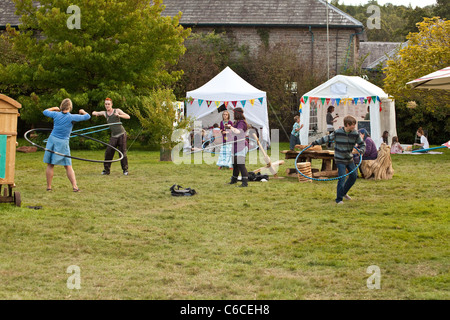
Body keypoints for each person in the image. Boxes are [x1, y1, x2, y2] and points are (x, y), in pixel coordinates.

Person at [310, 115, 365, 204]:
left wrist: (362, 150)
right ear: (347, 124)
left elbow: (362, 144)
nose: (354, 127)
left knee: (354, 176)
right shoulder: (338, 132)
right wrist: (315, 143)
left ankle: (343, 193)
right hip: (340, 159)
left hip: (349, 158)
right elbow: (326, 138)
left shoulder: (355, 134)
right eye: (353, 125)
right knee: (342, 178)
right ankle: (339, 199)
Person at [43, 98, 91, 192]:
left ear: (61, 106)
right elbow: (88, 116)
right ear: (70, 107)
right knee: (68, 165)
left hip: (52, 140)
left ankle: (49, 187)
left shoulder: (55, 114)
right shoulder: (72, 117)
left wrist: (53, 108)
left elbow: (45, 111)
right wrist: (83, 111)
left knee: (50, 165)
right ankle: (75, 187)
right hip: (63, 143)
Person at [92, 98, 130, 175]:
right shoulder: (104, 113)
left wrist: (119, 115)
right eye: (106, 104)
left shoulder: (117, 111)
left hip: (122, 134)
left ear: (111, 104)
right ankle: (106, 170)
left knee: (122, 152)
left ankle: (125, 170)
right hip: (114, 135)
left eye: (108, 104)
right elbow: (94, 112)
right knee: (108, 152)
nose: (107, 105)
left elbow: (128, 116)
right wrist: (95, 113)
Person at [226, 107, 249, 187]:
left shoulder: (242, 123)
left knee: (240, 164)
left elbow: (238, 131)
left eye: (233, 113)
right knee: (235, 164)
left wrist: (231, 127)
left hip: (241, 145)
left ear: (237, 114)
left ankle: (245, 182)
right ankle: (234, 180)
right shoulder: (237, 122)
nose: (233, 115)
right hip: (235, 145)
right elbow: (233, 131)